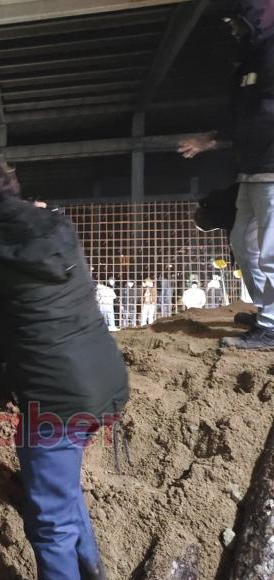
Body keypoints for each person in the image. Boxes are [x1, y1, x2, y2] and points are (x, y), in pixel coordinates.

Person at [0, 160, 129, 580]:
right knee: (63, 492)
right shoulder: (58, 225)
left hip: (56, 401)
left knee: (49, 523)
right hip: (107, 383)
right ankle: (91, 576)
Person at [178, 0, 274, 348]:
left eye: (237, 23)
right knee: (243, 246)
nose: (233, 31)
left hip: (271, 168)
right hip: (252, 169)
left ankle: (272, 325)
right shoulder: (252, 59)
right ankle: (266, 312)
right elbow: (245, 116)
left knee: (269, 250)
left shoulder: (269, 55)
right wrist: (214, 139)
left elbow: (260, 117)